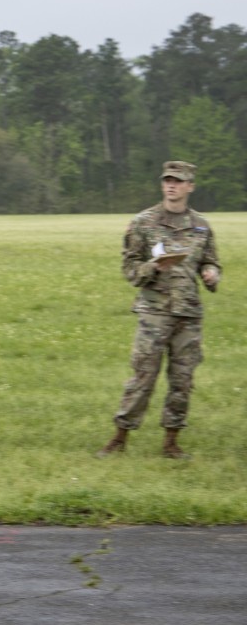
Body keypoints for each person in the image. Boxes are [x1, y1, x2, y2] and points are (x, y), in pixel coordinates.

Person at [97, 160, 221, 459]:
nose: (171, 185)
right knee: (143, 378)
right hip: (154, 313)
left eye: (178, 181)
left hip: (188, 315)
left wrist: (212, 273)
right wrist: (152, 268)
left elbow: (210, 261)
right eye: (167, 180)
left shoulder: (201, 226)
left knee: (182, 381)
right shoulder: (143, 222)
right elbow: (129, 268)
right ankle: (119, 438)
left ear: (190, 186)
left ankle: (171, 443)